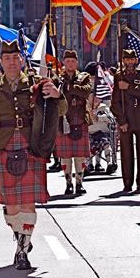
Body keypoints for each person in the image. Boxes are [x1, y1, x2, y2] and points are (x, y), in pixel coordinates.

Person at [0, 40, 66, 270]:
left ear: (22, 60)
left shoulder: (37, 84)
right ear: (0, 62)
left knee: (27, 202)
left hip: (30, 146)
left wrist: (57, 95)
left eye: (15, 58)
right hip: (4, 146)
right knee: (11, 206)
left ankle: (22, 251)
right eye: (7, 59)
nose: (12, 62)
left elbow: (61, 110)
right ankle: (21, 235)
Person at [111, 49, 140, 193]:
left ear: (136, 60)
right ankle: (127, 182)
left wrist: (129, 87)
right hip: (126, 118)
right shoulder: (118, 77)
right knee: (126, 153)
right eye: (126, 59)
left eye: (132, 59)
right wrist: (121, 121)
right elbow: (115, 103)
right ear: (123, 61)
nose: (129, 62)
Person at [54, 50, 92, 195]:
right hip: (64, 118)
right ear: (63, 62)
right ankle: (68, 183)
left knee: (79, 155)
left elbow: (86, 91)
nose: (70, 63)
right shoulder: (57, 78)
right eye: (68, 61)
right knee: (66, 155)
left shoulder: (84, 77)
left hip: (80, 117)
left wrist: (69, 88)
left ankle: (79, 183)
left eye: (73, 61)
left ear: (77, 62)